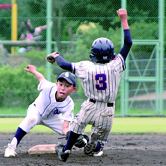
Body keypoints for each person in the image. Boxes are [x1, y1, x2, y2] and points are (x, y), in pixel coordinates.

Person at [46, 8, 133, 162]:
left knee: (76, 127)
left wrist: (56, 56)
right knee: (97, 142)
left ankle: (66, 149)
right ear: (112, 54)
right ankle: (96, 146)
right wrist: (124, 20)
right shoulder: (116, 66)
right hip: (108, 109)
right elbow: (128, 43)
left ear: (93, 54)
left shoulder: (85, 66)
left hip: (90, 106)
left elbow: (65, 65)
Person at [4, 65, 78, 157]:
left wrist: (71, 134)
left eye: (67, 85)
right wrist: (34, 71)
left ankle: (91, 147)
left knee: (74, 135)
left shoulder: (69, 104)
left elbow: (65, 127)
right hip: (36, 110)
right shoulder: (49, 87)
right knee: (31, 119)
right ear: (56, 84)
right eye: (61, 84)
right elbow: (41, 78)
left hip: (53, 119)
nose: (63, 88)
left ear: (73, 89)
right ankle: (11, 147)